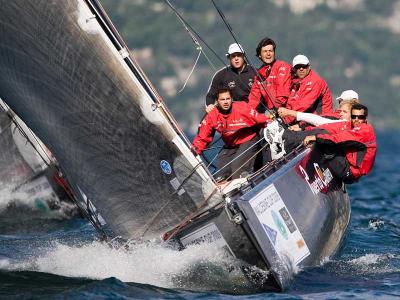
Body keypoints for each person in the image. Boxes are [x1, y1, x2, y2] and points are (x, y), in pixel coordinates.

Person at [193, 88, 270, 180]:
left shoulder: (242, 107)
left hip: (249, 140)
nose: (225, 102)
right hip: (231, 145)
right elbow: (202, 138)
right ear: (217, 101)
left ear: (232, 99)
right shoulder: (212, 115)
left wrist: (272, 122)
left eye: (228, 99)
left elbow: (262, 119)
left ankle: (247, 182)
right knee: (220, 176)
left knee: (237, 169)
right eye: (222, 99)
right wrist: (193, 152)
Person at [303, 104, 376, 183]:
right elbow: (329, 128)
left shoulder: (365, 130)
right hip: (347, 165)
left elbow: (338, 139)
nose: (356, 119)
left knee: (325, 143)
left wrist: (316, 138)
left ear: (365, 118)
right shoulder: (351, 126)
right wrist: (304, 128)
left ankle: (310, 176)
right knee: (325, 137)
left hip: (350, 173)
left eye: (360, 117)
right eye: (354, 116)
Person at [205, 43, 257, 113]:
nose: (236, 59)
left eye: (239, 55)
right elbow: (210, 95)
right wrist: (210, 105)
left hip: (253, 113)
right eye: (233, 56)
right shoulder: (221, 75)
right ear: (229, 58)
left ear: (244, 56)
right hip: (230, 115)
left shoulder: (255, 72)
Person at [283, 54, 333, 124]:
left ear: (309, 67)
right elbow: (291, 103)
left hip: (322, 121)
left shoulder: (315, 81)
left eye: (304, 66)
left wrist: (284, 120)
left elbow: (303, 106)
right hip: (306, 120)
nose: (301, 69)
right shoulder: (295, 82)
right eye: (298, 67)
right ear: (294, 69)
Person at [248, 37, 291, 112]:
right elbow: (253, 99)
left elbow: (282, 97)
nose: (268, 54)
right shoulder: (259, 75)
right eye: (265, 51)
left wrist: (272, 113)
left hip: (286, 110)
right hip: (273, 112)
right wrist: (247, 113)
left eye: (270, 51)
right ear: (259, 55)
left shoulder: (282, 67)